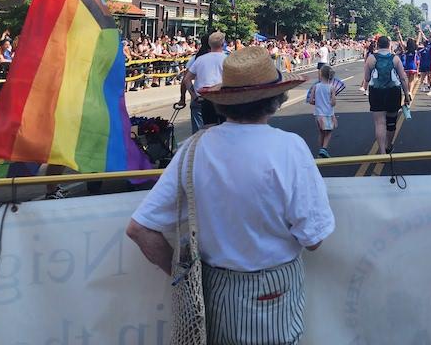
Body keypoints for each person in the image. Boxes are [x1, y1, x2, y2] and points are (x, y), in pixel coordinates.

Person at [127, 47, 334, 345]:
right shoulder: (290, 148)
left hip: (210, 288)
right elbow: (313, 239)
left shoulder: (193, 148)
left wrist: (181, 275)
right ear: (275, 100)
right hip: (272, 291)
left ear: (224, 102)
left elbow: (139, 228)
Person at [362, 35, 411, 154]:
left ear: (377, 45)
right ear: (389, 45)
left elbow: (367, 78)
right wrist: (406, 94)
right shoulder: (395, 59)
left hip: (376, 91)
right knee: (391, 121)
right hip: (393, 91)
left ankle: (382, 151)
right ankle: (389, 145)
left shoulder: (371, 58)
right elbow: (403, 78)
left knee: (379, 123)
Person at [178, 32, 227, 133]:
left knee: (200, 134)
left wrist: (194, 96)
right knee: (223, 133)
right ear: (223, 44)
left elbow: (186, 79)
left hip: (202, 99)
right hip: (221, 100)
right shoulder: (227, 59)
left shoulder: (199, 59)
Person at [309, 64, 339, 158]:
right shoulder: (331, 87)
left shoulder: (316, 86)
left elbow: (311, 101)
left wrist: (318, 102)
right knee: (329, 132)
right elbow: (333, 103)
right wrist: (330, 100)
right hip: (327, 114)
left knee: (321, 133)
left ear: (321, 74)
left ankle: (321, 151)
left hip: (318, 114)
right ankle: (324, 149)